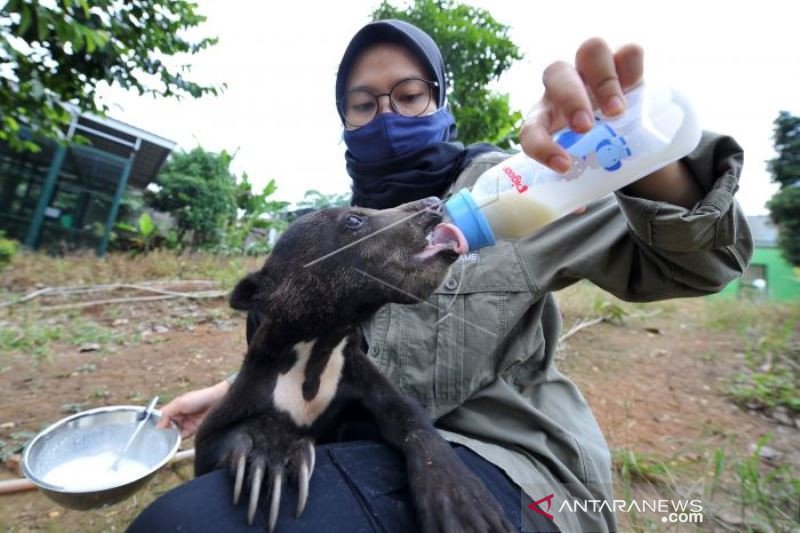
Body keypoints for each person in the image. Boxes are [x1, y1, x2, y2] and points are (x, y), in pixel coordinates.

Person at [129, 20, 752, 532]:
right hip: (363, 449)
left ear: (438, 99)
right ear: (343, 117)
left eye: (408, 95)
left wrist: (635, 155)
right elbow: (333, 349)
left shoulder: (520, 190)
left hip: (512, 466)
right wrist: (243, 392)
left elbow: (700, 266)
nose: (387, 116)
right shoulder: (325, 235)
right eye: (363, 103)